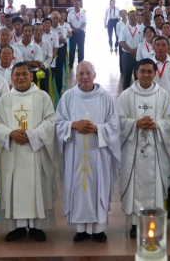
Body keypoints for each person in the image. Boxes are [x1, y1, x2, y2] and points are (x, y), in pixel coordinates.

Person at [0, 62, 60, 242]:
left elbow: (50, 121)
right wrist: (10, 133)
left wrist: (32, 135)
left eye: (25, 74)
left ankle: (37, 226)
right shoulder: (5, 99)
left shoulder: (42, 97)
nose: (21, 77)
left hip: (35, 150)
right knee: (13, 186)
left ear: (31, 76)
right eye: (17, 75)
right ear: (11, 77)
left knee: (37, 185)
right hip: (12, 150)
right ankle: (18, 227)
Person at [55, 61, 120, 243]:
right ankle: (81, 229)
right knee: (78, 186)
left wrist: (97, 129)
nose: (85, 77)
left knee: (98, 187)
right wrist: (73, 125)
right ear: (76, 76)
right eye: (81, 74)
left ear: (94, 75)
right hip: (75, 151)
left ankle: (99, 228)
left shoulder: (105, 97)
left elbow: (114, 126)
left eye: (88, 73)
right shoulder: (68, 97)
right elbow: (58, 123)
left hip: (98, 153)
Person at [117, 58, 170, 238]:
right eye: (142, 71)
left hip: (156, 151)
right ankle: (135, 225)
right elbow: (118, 121)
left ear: (155, 73)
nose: (146, 75)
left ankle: (153, 223)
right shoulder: (126, 95)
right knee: (136, 186)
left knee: (156, 185)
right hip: (133, 152)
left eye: (150, 71)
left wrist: (156, 124)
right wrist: (135, 123)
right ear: (136, 72)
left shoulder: (163, 95)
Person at [149, 36, 170, 109]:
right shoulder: (149, 63)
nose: (160, 48)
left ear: (168, 48)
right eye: (157, 45)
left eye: (164, 45)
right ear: (153, 48)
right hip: (152, 99)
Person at [119, 9, 143, 90]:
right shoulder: (124, 29)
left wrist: (136, 50)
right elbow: (121, 42)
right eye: (131, 16)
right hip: (127, 55)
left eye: (134, 16)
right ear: (128, 18)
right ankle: (125, 95)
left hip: (138, 54)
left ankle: (138, 92)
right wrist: (131, 50)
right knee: (126, 76)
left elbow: (143, 42)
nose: (132, 17)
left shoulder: (141, 28)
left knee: (139, 76)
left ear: (137, 17)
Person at [67, 0, 86, 68]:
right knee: (72, 48)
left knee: (81, 48)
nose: (77, 5)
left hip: (81, 32)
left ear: (80, 5)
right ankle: (71, 63)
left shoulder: (83, 13)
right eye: (75, 4)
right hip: (72, 33)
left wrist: (79, 29)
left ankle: (80, 63)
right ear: (73, 5)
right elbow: (69, 23)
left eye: (78, 4)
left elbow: (84, 23)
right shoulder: (70, 13)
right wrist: (74, 29)